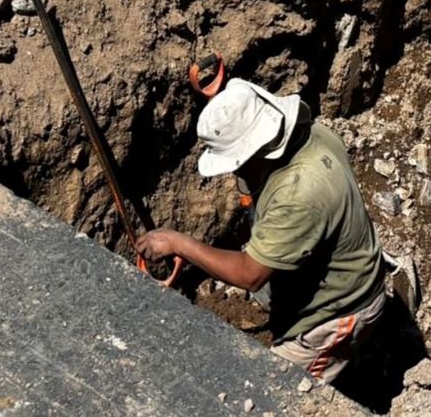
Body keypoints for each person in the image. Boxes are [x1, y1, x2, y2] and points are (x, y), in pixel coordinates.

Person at [136, 78, 385, 384]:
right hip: (325, 268)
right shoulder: (312, 134)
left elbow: (250, 275)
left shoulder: (298, 195)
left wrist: (178, 243)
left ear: (259, 152)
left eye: (237, 163)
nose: (234, 171)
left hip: (340, 310)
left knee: (276, 390)